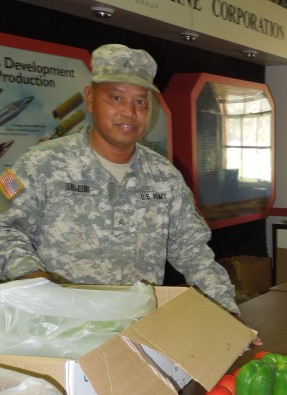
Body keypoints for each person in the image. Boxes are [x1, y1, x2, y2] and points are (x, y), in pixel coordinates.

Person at [0, 44, 240, 317]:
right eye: (116, 98)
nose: (129, 111)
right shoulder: (42, 163)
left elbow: (193, 251)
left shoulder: (163, 176)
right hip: (61, 324)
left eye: (140, 101)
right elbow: (4, 228)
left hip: (137, 324)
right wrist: (30, 273)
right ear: (90, 99)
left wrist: (227, 313)